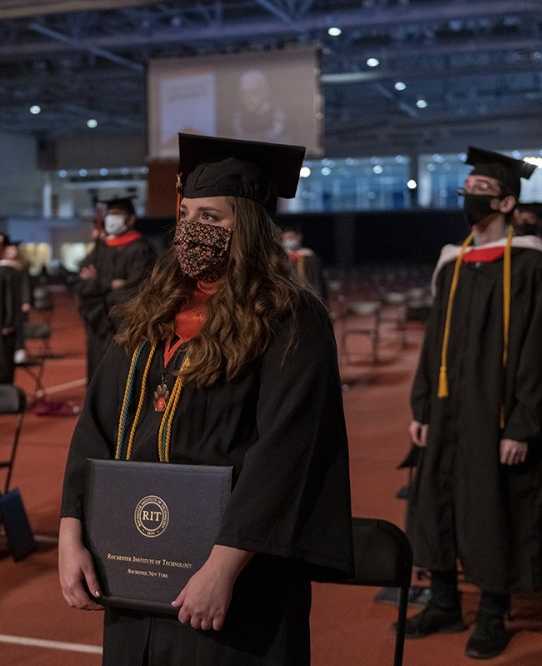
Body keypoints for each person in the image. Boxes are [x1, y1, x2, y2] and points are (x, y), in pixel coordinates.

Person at [59, 133, 354, 664]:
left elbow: (286, 455)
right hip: (135, 563)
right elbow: (96, 425)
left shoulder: (289, 318)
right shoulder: (152, 309)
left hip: (233, 577)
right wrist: (71, 530)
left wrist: (221, 568)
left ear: (248, 226)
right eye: (188, 213)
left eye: (213, 218)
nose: (194, 229)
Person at [405, 147, 542, 659]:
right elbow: (433, 346)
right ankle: (444, 600)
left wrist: (523, 424)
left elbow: (539, 351)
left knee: (496, 508)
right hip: (446, 410)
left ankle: (492, 611)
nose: (469, 198)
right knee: (435, 502)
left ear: (508, 201)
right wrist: (421, 407)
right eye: (466, 190)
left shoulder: (531, 263)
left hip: (498, 413)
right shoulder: (452, 262)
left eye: (481, 192)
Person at [75, 196, 156, 382]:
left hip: (125, 325)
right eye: (110, 214)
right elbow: (82, 283)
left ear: (131, 219)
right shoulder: (100, 248)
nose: (111, 219)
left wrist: (97, 284)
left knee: (123, 378)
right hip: (99, 324)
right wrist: (109, 284)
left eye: (117, 215)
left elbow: (134, 289)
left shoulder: (142, 249)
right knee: (97, 376)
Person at [0, 231, 25, 383]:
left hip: (2, 325)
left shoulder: (8, 272)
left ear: (0, 246)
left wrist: (9, 322)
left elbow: (12, 300)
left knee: (2, 362)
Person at [280, 225, 328, 302]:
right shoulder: (280, 259)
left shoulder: (310, 259)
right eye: (285, 238)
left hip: (308, 299)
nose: (288, 241)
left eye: (290, 237)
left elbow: (317, 283)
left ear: (299, 237)